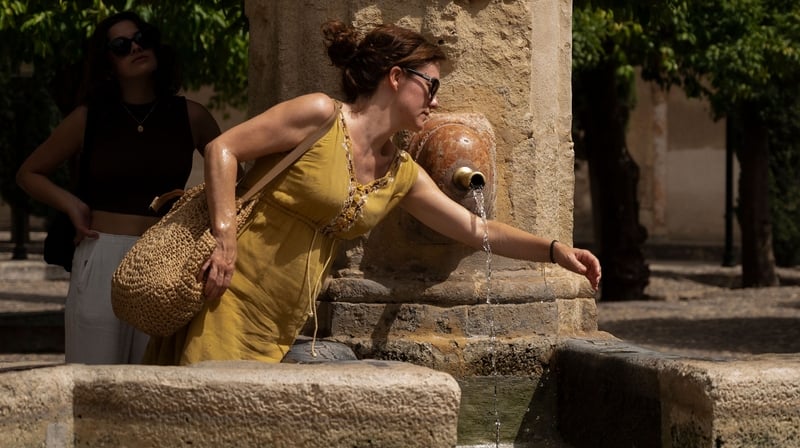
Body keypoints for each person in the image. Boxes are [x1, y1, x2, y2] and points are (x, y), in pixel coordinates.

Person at [143, 19, 601, 365]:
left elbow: (473, 227)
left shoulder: (399, 171)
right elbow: (223, 149)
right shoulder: (320, 115)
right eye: (431, 86)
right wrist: (224, 240)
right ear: (396, 77)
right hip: (225, 298)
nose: (436, 101)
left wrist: (555, 250)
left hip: (282, 324)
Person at [16, 11, 221, 364]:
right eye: (121, 45)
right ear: (108, 61)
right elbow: (29, 172)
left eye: (141, 38)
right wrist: (71, 204)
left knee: (154, 381)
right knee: (91, 379)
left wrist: (215, 231)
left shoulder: (192, 116)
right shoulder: (90, 118)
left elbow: (234, 177)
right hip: (101, 256)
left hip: (166, 260)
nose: (135, 48)